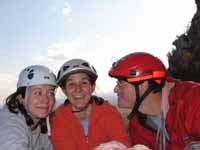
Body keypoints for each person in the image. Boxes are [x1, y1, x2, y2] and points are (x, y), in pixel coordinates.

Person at [108, 52, 200, 149]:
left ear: (143, 85)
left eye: (121, 84)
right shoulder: (137, 127)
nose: (115, 89)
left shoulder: (193, 99)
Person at [51, 58, 130, 150]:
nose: (78, 89)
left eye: (84, 83)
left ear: (92, 87)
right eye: (71, 84)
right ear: (65, 91)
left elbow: (122, 145)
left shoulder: (108, 112)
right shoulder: (60, 118)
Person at [0, 65, 57, 150]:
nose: (45, 100)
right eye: (38, 93)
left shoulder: (38, 124)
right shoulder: (8, 121)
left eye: (50, 93)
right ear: (21, 98)